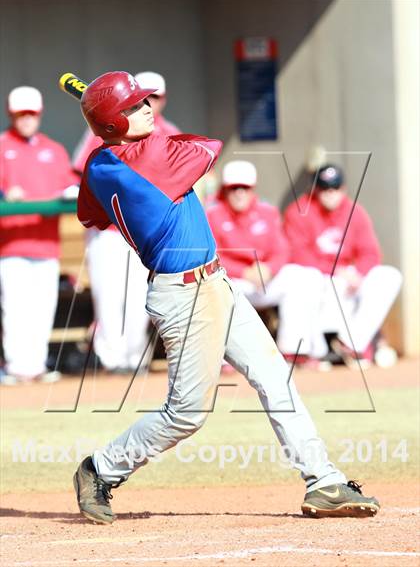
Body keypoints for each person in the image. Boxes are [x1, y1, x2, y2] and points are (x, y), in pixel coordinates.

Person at [72, 71, 379, 524]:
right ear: (113, 124)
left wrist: (113, 131)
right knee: (186, 414)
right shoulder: (152, 157)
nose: (148, 108)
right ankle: (100, 469)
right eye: (135, 107)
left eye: (147, 102)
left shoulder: (99, 166)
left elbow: (89, 213)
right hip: (184, 294)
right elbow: (207, 146)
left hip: (216, 283)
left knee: (276, 377)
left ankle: (322, 479)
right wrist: (135, 136)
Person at [72, 72, 181, 373]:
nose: (148, 104)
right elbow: (83, 170)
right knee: (109, 297)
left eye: (154, 97)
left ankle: (134, 360)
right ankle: (111, 361)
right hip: (108, 229)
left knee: (139, 298)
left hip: (142, 230)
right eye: (141, 98)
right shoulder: (104, 125)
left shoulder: (167, 131)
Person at [207, 160, 329, 368]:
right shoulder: (211, 213)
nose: (239, 193)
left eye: (244, 188)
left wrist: (269, 268)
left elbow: (282, 249)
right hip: (233, 279)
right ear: (225, 189)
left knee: (307, 277)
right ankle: (225, 357)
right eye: (233, 188)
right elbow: (209, 254)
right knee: (210, 286)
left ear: (252, 188)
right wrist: (243, 271)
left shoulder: (267, 211)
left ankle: (293, 350)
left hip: (265, 277)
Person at [283, 164, 402, 365]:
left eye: (335, 187)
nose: (330, 193)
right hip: (318, 277)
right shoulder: (299, 210)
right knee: (302, 277)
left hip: (348, 277)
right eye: (325, 187)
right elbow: (297, 254)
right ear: (315, 189)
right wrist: (336, 270)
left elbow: (370, 252)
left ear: (343, 189)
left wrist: (359, 274)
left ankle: (352, 344)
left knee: (389, 275)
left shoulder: (354, 211)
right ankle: (312, 352)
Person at [0, 86, 77, 384]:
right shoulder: (2, 145)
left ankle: (36, 365)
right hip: (12, 244)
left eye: (31, 113)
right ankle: (17, 366)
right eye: (21, 114)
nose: (27, 119)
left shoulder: (54, 149)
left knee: (43, 307)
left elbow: (70, 187)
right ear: (11, 114)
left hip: (46, 244)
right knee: (16, 307)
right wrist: (6, 193)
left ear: (40, 113)